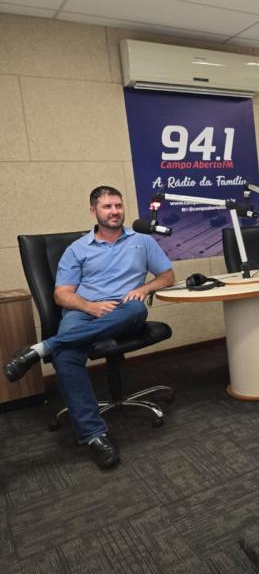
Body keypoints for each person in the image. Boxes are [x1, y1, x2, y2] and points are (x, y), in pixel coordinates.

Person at [4, 186, 175, 469]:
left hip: (124, 310)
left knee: (135, 308)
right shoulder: (78, 249)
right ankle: (95, 435)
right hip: (84, 311)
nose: (115, 211)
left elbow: (167, 276)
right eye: (107, 206)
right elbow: (62, 295)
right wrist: (89, 307)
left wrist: (144, 288)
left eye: (118, 205)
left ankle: (41, 349)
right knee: (66, 355)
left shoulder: (142, 241)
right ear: (93, 211)